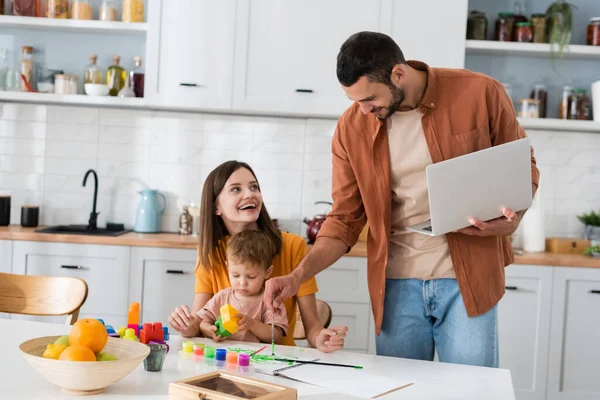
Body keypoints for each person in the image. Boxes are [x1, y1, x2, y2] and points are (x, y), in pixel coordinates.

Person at [265, 31, 540, 367]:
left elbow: (522, 169)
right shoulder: (351, 128)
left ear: (398, 73)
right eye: (355, 102)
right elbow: (344, 221)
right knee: (402, 391)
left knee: (472, 392)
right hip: (395, 287)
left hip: (467, 278)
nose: (363, 110)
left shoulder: (480, 92)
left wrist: (510, 217)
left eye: (369, 99)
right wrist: (297, 276)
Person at [168, 160, 347, 352]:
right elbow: (198, 324)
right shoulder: (211, 253)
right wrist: (186, 326)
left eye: (254, 187)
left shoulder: (293, 246)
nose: (250, 194)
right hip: (223, 359)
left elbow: (313, 327)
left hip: (276, 360)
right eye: (236, 189)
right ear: (216, 207)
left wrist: (321, 338)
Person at [197, 230, 288, 344]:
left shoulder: (270, 301)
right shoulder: (222, 297)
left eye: (251, 276)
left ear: (267, 272)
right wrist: (209, 330)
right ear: (228, 267)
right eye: (235, 275)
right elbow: (203, 322)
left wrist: (252, 324)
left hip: (255, 358)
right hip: (224, 355)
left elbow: (276, 336)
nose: (242, 283)